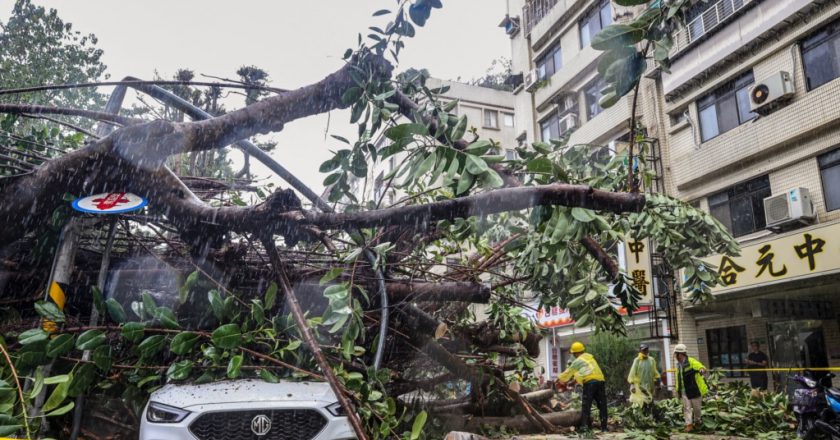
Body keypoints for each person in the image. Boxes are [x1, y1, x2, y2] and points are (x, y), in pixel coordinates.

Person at [556, 341, 608, 432]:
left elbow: (568, 373)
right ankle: (604, 428)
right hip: (600, 382)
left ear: (575, 353)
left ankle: (585, 428)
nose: (573, 355)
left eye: (573, 354)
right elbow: (584, 373)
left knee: (586, 406)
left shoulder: (578, 361)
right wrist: (572, 383)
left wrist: (557, 380)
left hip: (590, 384)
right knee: (602, 405)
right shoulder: (590, 358)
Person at [674, 344, 707, 433]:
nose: (675, 356)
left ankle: (697, 422)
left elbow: (701, 366)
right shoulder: (678, 365)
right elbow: (678, 378)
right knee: (687, 408)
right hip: (684, 391)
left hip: (694, 389)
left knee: (697, 408)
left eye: (676, 354)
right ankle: (689, 425)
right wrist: (678, 390)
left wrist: (702, 369)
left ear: (681, 354)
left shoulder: (691, 361)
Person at [628, 343, 661, 415]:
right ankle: (641, 418)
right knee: (641, 404)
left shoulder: (651, 360)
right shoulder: (637, 360)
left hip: (650, 386)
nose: (645, 351)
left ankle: (650, 419)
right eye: (643, 350)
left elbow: (655, 372)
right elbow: (632, 373)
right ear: (640, 351)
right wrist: (632, 385)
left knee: (650, 402)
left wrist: (658, 382)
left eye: (646, 349)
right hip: (640, 387)